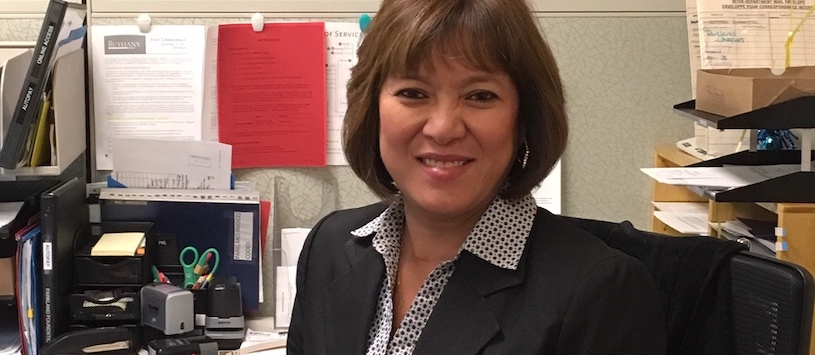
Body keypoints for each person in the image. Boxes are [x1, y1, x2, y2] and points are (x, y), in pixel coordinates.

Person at [287, 0, 667, 353]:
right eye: (413, 93)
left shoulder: (601, 293)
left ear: (523, 118)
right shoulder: (328, 249)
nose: (443, 128)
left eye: (480, 96)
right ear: (373, 109)